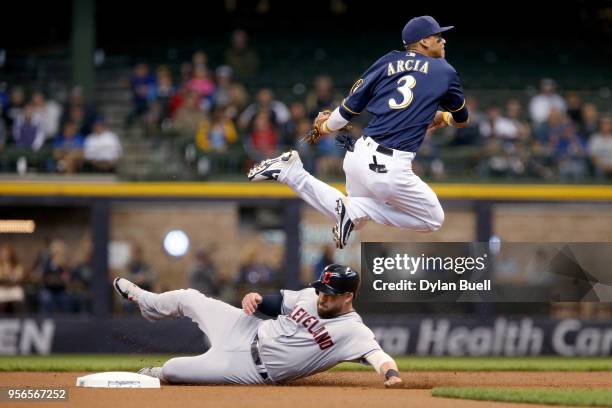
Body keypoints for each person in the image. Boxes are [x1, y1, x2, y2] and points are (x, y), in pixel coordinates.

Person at [248, 16, 468, 249]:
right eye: (438, 37)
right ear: (424, 42)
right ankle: (354, 210)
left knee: (351, 214)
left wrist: (323, 127)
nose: (443, 41)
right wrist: (444, 117)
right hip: (390, 168)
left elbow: (346, 112)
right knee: (433, 219)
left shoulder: (387, 61)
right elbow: (462, 120)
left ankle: (291, 172)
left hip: (358, 154)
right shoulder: (444, 70)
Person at [113, 264, 403, 387]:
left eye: (330, 293)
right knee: (188, 298)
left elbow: (378, 356)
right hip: (245, 328)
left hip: (248, 369)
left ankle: (154, 375)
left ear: (349, 296)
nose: (322, 296)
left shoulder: (353, 330)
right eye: (322, 289)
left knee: (175, 369)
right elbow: (274, 304)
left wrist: (390, 374)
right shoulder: (311, 296)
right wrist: (255, 299)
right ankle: (148, 303)